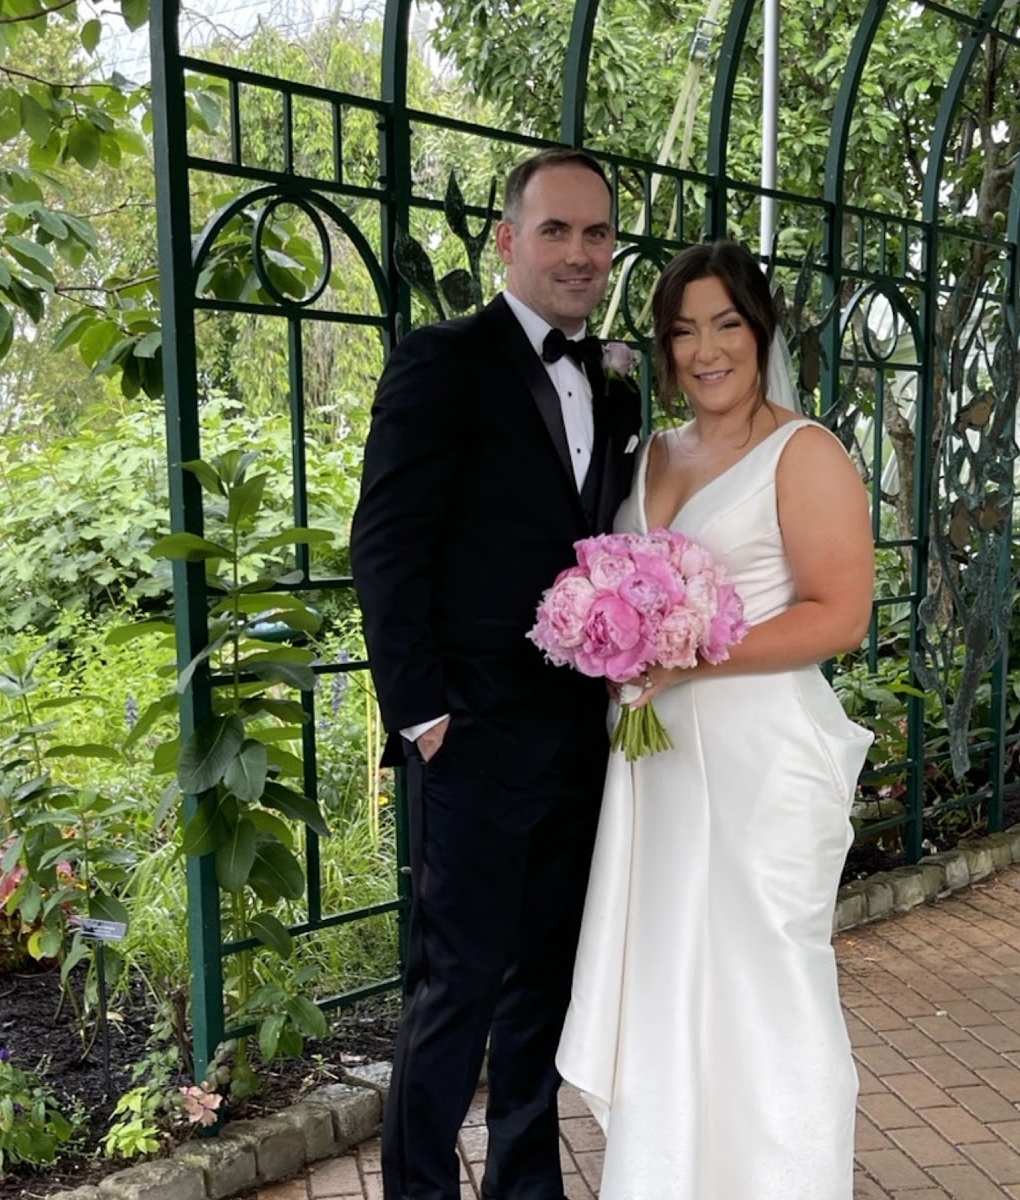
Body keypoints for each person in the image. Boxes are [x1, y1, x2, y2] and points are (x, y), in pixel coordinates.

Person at [349, 147, 642, 1200]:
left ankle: (526, 1186)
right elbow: (386, 544)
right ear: (509, 241)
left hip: (579, 741)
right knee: (454, 990)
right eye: (555, 230)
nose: (578, 253)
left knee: (541, 990)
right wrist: (422, 715)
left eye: (596, 233)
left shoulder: (616, 380)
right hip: (470, 736)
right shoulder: (442, 361)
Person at [555, 240, 876, 1199]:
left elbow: (840, 615)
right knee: (669, 985)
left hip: (760, 765)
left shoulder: (804, 452)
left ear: (760, 331)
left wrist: (691, 653)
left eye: (726, 325)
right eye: (683, 331)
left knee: (765, 985)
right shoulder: (652, 452)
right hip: (655, 768)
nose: (706, 350)